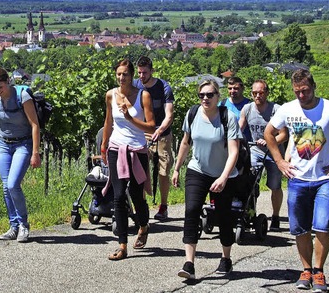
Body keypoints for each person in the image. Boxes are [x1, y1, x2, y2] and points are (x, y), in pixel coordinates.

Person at [263, 69, 329, 292]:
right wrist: (279, 161)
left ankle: (319, 271)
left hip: (325, 179)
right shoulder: (288, 109)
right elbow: (269, 133)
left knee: (324, 225)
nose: (301, 95)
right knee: (300, 228)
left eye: (305, 91)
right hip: (297, 178)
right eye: (297, 91)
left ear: (313, 86)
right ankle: (306, 270)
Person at [173, 80, 242, 279]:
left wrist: (223, 177)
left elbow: (234, 151)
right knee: (192, 210)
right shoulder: (192, 114)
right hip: (198, 170)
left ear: (217, 96)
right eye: (201, 95)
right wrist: (177, 169)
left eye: (209, 95)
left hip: (223, 173)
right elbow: (186, 143)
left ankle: (226, 258)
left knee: (223, 216)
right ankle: (189, 264)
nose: (205, 98)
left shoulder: (227, 117)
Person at [0, 68, 41, 243]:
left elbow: (35, 125)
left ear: (8, 82)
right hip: (3, 144)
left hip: (23, 143)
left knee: (13, 184)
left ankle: (23, 225)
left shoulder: (23, 96)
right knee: (6, 187)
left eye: (0, 87)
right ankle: (13, 226)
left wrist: (35, 153)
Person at [101, 58, 155, 261]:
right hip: (116, 147)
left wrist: (131, 118)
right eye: (118, 74)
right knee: (118, 194)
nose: (121, 78)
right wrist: (104, 144)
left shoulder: (144, 96)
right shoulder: (110, 95)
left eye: (125, 74)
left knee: (136, 193)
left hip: (137, 150)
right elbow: (108, 120)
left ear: (132, 76)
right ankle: (122, 245)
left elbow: (151, 126)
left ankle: (143, 225)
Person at [238, 79, 287, 231]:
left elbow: (284, 134)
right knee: (249, 182)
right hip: (255, 151)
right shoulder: (247, 109)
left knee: (275, 185)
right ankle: (249, 213)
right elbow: (240, 128)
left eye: (261, 93)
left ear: (267, 93)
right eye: (254, 93)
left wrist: (270, 141)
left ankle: (276, 216)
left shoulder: (276, 110)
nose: (257, 96)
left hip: (274, 152)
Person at [134, 56, 175, 220]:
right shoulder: (135, 86)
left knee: (163, 171)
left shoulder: (164, 87)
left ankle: (163, 205)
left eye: (144, 72)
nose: (142, 76)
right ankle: (142, 206)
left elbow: (169, 115)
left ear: (152, 71)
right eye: (139, 73)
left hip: (162, 133)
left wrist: (160, 129)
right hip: (142, 132)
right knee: (140, 170)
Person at [222, 76, 252, 141]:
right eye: (230, 88)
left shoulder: (249, 105)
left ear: (242, 88)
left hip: (245, 144)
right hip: (226, 142)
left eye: (236, 88)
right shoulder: (222, 104)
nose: (232, 91)